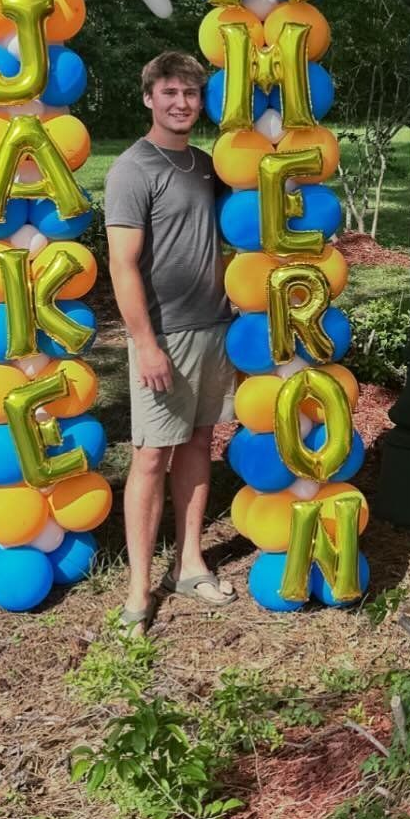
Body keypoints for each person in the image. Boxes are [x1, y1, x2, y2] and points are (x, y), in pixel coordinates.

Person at [106, 50, 238, 629]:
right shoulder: (133, 169)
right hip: (165, 336)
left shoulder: (208, 165)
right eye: (170, 93)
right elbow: (122, 265)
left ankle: (189, 563)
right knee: (151, 456)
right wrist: (145, 343)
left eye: (190, 94)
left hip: (215, 328)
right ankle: (139, 590)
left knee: (199, 444)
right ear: (149, 98)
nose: (181, 103)